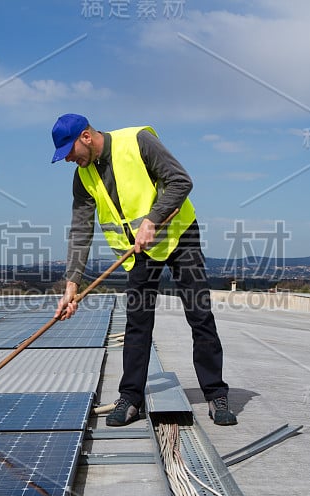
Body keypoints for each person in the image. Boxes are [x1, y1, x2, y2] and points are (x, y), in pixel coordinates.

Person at [51, 113, 236, 427]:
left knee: (199, 315)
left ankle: (216, 394)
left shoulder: (137, 141)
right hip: (137, 252)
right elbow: (81, 228)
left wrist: (153, 218)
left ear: (85, 136)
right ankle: (131, 397)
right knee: (137, 323)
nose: (68, 159)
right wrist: (72, 282)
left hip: (179, 236)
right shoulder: (83, 175)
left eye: (70, 151)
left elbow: (181, 181)